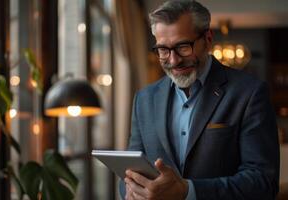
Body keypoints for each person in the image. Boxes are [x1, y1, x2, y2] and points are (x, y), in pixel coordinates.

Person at [119, 1, 280, 199]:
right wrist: (132, 191)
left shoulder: (250, 93)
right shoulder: (143, 99)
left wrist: (187, 191)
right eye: (163, 50)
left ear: (208, 38)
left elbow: (263, 182)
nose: (173, 60)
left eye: (183, 47)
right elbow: (129, 174)